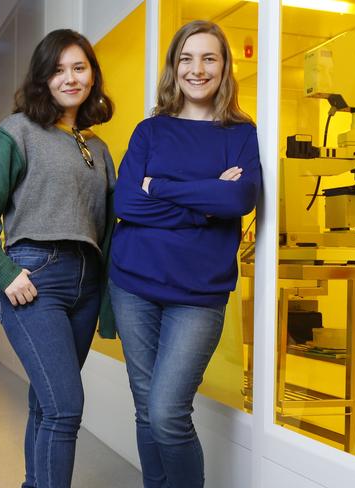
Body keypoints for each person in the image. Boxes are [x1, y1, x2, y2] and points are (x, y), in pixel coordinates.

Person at [108, 20, 261, 487]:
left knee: (167, 411)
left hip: (199, 294)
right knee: (143, 404)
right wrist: (204, 201)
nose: (197, 69)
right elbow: (127, 202)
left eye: (209, 58)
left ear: (224, 67)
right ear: (174, 67)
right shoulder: (150, 131)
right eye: (187, 58)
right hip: (133, 283)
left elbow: (238, 201)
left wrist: (164, 189)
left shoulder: (240, 133)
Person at [0, 29, 115, 488]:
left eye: (79, 67)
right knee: (66, 407)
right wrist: (5, 272)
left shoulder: (98, 148)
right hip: (36, 279)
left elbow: (106, 229)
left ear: (92, 75)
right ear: (42, 78)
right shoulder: (17, 132)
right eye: (58, 69)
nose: (69, 78)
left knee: (46, 404)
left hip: (86, 283)